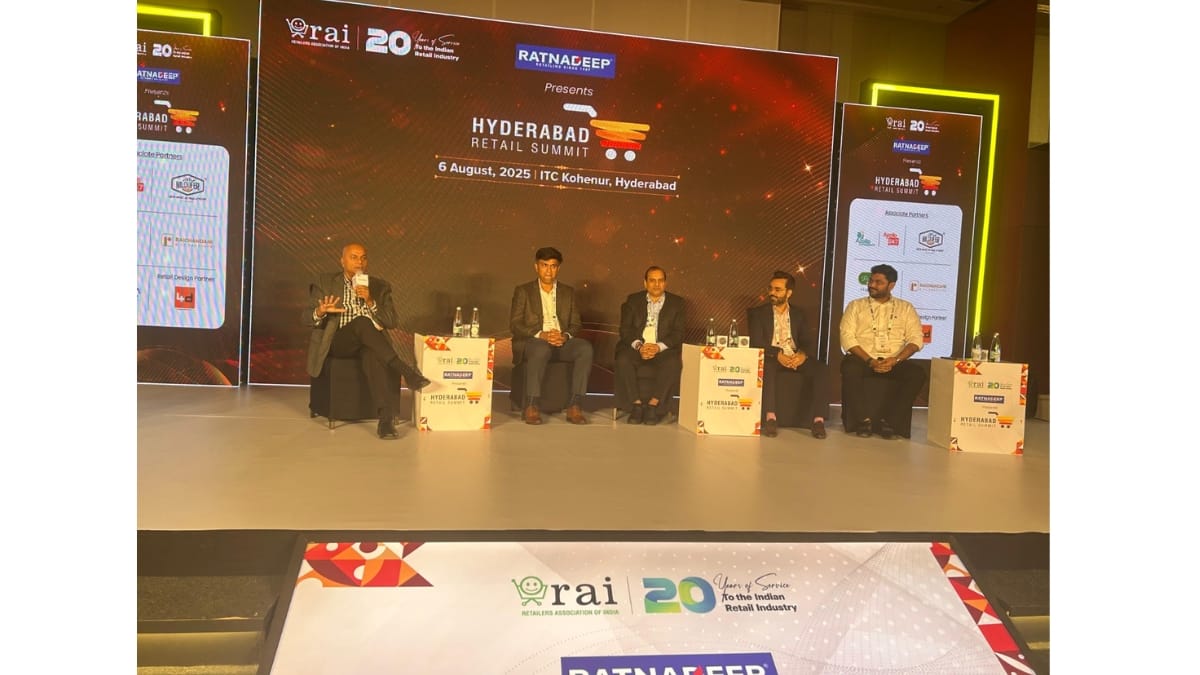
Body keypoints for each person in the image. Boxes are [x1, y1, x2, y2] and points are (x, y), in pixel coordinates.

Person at [306, 243, 430, 440]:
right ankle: (406, 371)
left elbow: (391, 322)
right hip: (339, 341)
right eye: (354, 257)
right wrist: (320, 312)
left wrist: (371, 301)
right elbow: (305, 318)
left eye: (363, 258)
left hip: (370, 342)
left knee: (372, 353)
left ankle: (385, 421)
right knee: (362, 322)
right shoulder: (326, 282)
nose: (359, 262)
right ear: (342, 261)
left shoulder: (379, 286)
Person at [838, 263, 926, 439]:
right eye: (871, 281)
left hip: (893, 360)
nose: (872, 285)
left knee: (917, 374)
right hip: (863, 359)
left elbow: (916, 339)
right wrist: (870, 361)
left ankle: (890, 422)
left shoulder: (906, 308)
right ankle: (863, 421)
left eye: (878, 282)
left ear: (891, 285)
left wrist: (896, 360)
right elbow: (847, 338)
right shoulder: (855, 306)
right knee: (849, 368)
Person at [509, 247, 593, 425]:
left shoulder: (567, 292)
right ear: (536, 267)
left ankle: (574, 405)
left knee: (585, 348)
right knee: (541, 349)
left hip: (560, 341)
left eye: (553, 266)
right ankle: (531, 405)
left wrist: (565, 336)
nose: (549, 270)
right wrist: (542, 335)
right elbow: (515, 324)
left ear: (558, 268)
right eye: (544, 265)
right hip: (534, 341)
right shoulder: (524, 291)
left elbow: (576, 324)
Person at [747, 271, 829, 439]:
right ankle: (770, 417)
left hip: (794, 355)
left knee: (820, 369)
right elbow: (756, 341)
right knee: (767, 367)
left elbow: (806, 340)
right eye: (770, 289)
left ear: (789, 293)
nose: (772, 293)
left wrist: (802, 355)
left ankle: (818, 420)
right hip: (772, 355)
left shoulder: (799, 314)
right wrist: (778, 354)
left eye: (777, 290)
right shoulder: (757, 313)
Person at [615, 266, 685, 425]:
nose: (656, 284)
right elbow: (625, 330)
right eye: (652, 280)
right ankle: (636, 405)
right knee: (623, 359)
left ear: (665, 283)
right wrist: (640, 347)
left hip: (662, 348)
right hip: (638, 347)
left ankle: (653, 405)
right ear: (645, 283)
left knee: (673, 362)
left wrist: (658, 347)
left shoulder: (677, 303)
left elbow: (678, 333)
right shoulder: (633, 300)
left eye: (660, 280)